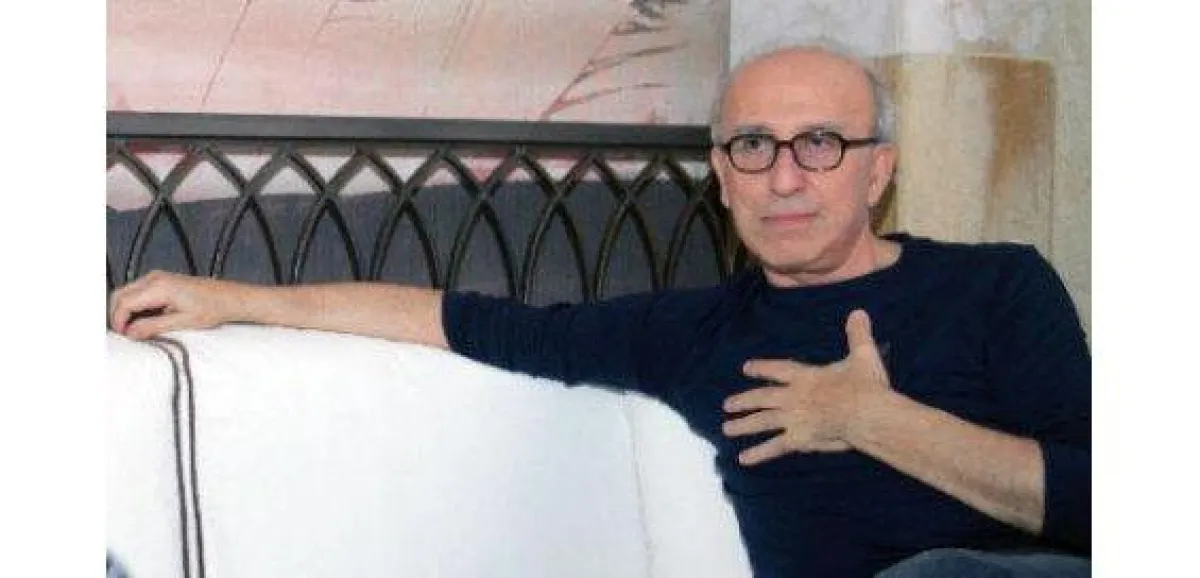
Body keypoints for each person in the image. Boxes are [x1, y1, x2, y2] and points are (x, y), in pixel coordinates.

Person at [108, 44, 1091, 577]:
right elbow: (460, 318)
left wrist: (875, 421)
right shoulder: (690, 332)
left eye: (821, 144)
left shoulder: (999, 287)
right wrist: (237, 297)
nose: (785, 177)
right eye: (753, 146)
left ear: (879, 170)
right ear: (722, 177)